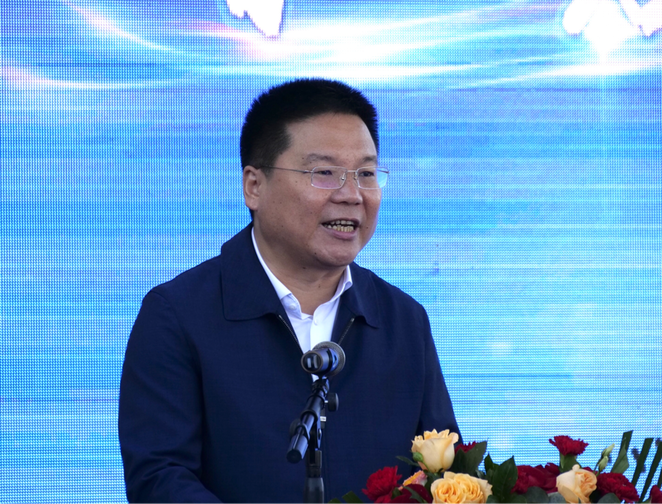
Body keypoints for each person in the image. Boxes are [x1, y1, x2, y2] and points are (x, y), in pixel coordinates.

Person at [118, 78, 459, 504]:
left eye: (366, 174)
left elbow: (442, 474)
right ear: (254, 186)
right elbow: (159, 478)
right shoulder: (179, 314)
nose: (352, 195)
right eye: (324, 173)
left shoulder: (403, 319)